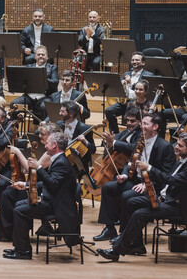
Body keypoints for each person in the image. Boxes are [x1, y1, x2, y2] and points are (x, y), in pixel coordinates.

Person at [98, 133, 187, 261]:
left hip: (177, 205)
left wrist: (149, 168)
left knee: (140, 214)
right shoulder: (182, 160)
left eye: (180, 145)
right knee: (130, 202)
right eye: (177, 143)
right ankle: (136, 245)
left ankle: (116, 251)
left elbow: (170, 179)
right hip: (164, 198)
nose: (176, 147)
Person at [94, 112, 175, 243]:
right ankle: (109, 229)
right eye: (142, 123)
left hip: (151, 186)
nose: (141, 126)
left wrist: (148, 184)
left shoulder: (165, 147)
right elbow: (130, 161)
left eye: (145, 124)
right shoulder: (140, 141)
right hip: (134, 180)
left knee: (127, 196)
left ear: (155, 127)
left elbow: (167, 174)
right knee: (108, 187)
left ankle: (125, 235)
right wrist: (125, 174)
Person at [4, 132, 78, 260]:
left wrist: (39, 167)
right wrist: (26, 185)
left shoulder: (61, 163)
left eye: (47, 143)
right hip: (51, 200)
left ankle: (24, 251)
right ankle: (20, 247)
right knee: (18, 205)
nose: (45, 146)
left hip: (56, 205)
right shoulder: (58, 160)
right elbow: (47, 182)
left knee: (19, 211)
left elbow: (53, 184)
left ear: (54, 145)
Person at [0, 122, 61, 242]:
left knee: (8, 194)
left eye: (43, 134)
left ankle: (10, 233)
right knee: (8, 192)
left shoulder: (50, 154)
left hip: (42, 190)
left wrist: (17, 152)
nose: (40, 137)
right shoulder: (48, 151)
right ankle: (10, 232)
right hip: (38, 186)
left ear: (51, 136)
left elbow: (32, 169)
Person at [103, 52, 154, 132]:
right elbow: (120, 89)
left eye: (137, 60)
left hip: (138, 103)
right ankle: (116, 135)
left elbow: (143, 90)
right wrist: (121, 84)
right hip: (126, 102)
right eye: (133, 60)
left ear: (143, 63)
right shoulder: (127, 73)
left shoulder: (148, 75)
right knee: (109, 111)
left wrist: (130, 83)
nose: (134, 62)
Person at [8, 45, 58, 121]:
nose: (41, 56)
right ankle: (13, 131)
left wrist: (42, 77)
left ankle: (44, 130)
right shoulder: (29, 67)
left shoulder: (52, 68)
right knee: (13, 104)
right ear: (35, 57)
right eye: (38, 54)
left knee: (44, 107)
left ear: (47, 57)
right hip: (29, 97)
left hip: (45, 97)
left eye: (43, 54)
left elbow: (55, 83)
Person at [57, 100, 96, 170]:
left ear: (71, 114)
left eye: (62, 111)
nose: (59, 113)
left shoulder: (85, 129)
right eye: (60, 111)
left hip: (76, 163)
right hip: (60, 158)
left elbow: (93, 150)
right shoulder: (59, 124)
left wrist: (85, 141)